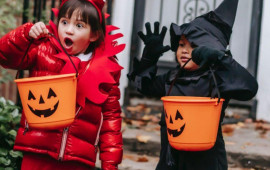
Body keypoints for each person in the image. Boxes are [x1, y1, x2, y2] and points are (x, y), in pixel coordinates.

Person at [128, 0, 258, 169]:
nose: (184, 50)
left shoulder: (217, 79)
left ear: (209, 49)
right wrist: (149, 58)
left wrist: (221, 59)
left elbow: (249, 88)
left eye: (194, 46)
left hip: (205, 162)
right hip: (170, 161)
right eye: (181, 44)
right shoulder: (172, 77)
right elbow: (143, 86)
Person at [0, 0, 125, 169]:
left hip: (77, 159)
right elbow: (5, 56)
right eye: (64, 22)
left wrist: (110, 163)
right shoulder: (43, 49)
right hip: (37, 152)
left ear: (94, 34)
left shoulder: (106, 69)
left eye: (79, 26)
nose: (69, 30)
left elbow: (111, 118)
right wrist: (25, 34)